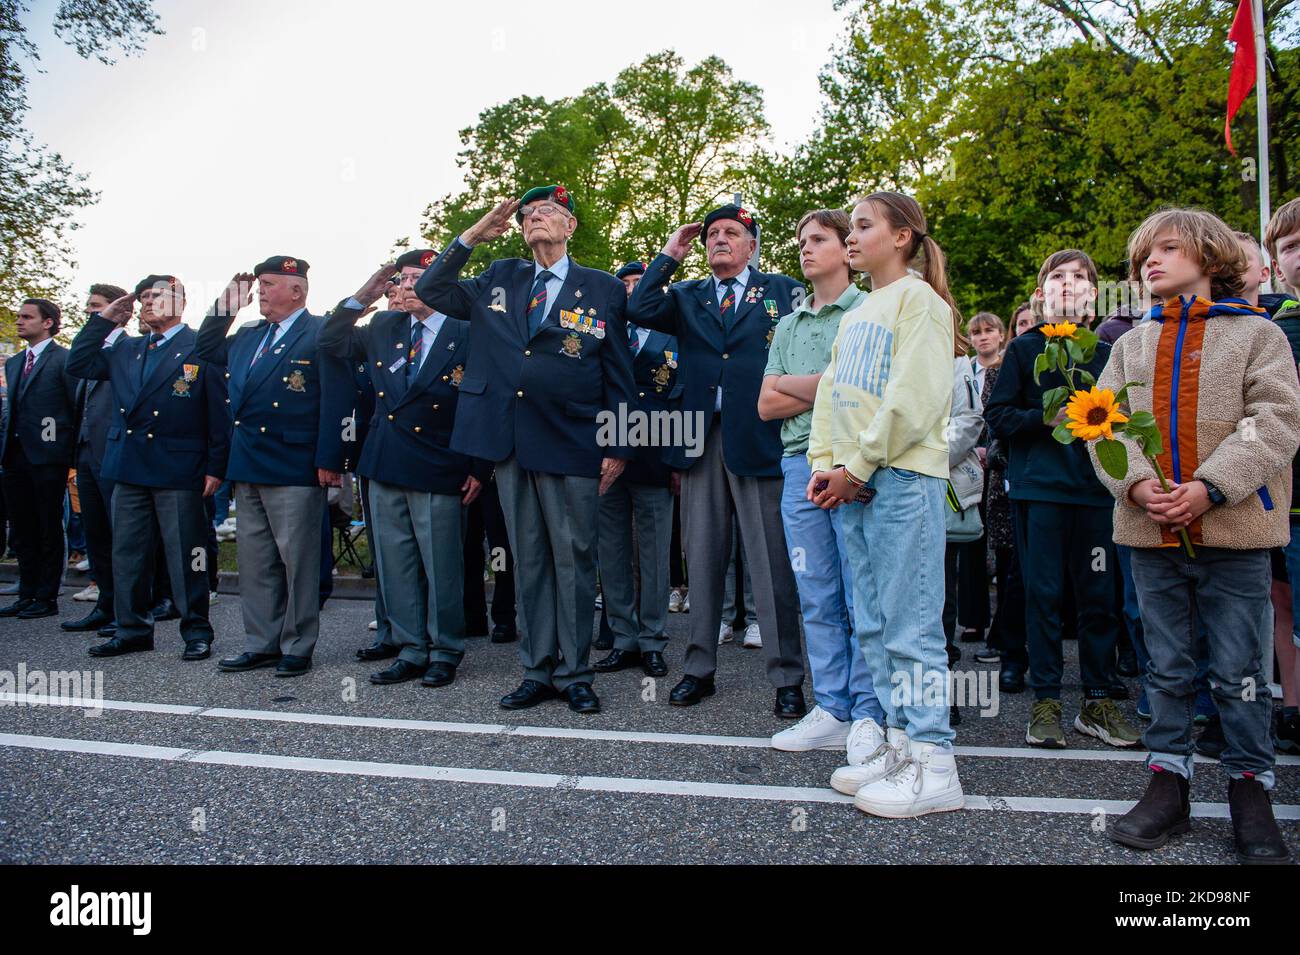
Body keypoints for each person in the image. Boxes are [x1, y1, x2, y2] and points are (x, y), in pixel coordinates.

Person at [1100, 207, 1300, 864]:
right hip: (1149, 534)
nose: (1149, 261)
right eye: (1141, 257)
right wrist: (1135, 485)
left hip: (1236, 532)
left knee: (1242, 669)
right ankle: (1168, 782)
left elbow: (1273, 423)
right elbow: (1105, 429)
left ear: (1209, 255)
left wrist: (1210, 486)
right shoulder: (1129, 344)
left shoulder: (1258, 335)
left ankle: (1250, 787)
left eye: (1165, 248)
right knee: (1166, 663)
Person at [415, 185, 636, 714]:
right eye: (530, 214)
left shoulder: (601, 288)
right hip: (509, 441)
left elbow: (618, 371)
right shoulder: (500, 278)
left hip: (573, 440)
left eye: (550, 213)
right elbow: (432, 286)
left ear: (571, 227)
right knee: (528, 560)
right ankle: (537, 669)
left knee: (575, 559)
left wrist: (619, 442)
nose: (538, 219)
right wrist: (471, 236)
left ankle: (576, 671)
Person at [808, 191, 964, 818]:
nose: (851, 233)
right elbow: (830, 397)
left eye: (864, 225)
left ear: (902, 237)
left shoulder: (919, 302)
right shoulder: (858, 311)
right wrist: (827, 465)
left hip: (898, 479)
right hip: (853, 482)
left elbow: (915, 398)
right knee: (871, 620)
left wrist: (860, 463)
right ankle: (899, 743)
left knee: (911, 622)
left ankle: (935, 760)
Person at [627, 204, 807, 716]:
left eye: (731, 233)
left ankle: (787, 676)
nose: (719, 240)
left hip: (761, 436)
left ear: (752, 244)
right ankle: (699, 669)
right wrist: (670, 254)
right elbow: (638, 309)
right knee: (703, 558)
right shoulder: (686, 294)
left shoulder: (781, 290)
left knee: (772, 563)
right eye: (711, 235)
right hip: (699, 440)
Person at [985, 250, 1139, 749]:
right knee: (1043, 594)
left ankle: (1097, 698)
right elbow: (999, 417)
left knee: (1099, 597)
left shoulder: (1108, 353)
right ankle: (1046, 697)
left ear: (1094, 297)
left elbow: (1127, 421)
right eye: (1058, 278)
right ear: (1040, 295)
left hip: (1097, 494)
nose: (1069, 285)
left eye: (1080, 279)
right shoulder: (1025, 350)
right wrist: (1045, 421)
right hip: (1041, 492)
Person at [322, 250, 483, 689]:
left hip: (442, 462)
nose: (405, 286)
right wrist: (366, 293)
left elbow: (483, 399)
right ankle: (411, 649)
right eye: (401, 280)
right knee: (396, 566)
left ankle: (445, 649)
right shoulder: (384, 326)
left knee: (441, 566)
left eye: (417, 278)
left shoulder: (466, 330)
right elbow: (330, 341)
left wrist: (477, 466)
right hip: (386, 461)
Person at [758, 209, 884, 753]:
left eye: (819, 239)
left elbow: (866, 389)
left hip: (855, 464)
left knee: (863, 594)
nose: (806, 249)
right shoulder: (787, 324)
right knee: (816, 593)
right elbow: (766, 404)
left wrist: (799, 384)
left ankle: (869, 712)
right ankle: (832, 706)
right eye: (801, 241)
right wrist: (828, 382)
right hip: (796, 464)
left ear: (845, 248)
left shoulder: (871, 310)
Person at [197, 256, 353, 678]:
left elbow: (337, 397)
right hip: (248, 462)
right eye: (259, 284)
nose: (260, 291)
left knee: (298, 561)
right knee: (256, 560)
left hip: (296, 463)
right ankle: (261, 642)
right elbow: (206, 349)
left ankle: (297, 644)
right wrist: (227, 305)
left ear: (296, 290)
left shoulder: (320, 330)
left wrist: (331, 458)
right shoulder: (249, 336)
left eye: (267, 284)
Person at [68, 276, 229, 660]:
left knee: (186, 554)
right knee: (128, 553)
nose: (148, 303)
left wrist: (216, 466)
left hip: (179, 465)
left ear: (182, 302)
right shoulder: (128, 349)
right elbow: (79, 362)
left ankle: (196, 630)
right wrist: (106, 319)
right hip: (128, 465)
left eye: (157, 295)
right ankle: (132, 628)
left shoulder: (200, 345)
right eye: (142, 298)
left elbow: (220, 413)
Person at [592, 261, 678, 679]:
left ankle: (653, 639)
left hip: (655, 456)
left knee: (655, 554)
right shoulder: (602, 332)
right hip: (605, 454)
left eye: (638, 285)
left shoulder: (674, 333)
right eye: (624, 285)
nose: (630, 292)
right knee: (612, 553)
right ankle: (622, 637)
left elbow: (683, 398)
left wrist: (682, 458)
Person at [0, 299, 78, 620]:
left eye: (26, 317)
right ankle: (26, 591)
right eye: (18, 317)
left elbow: (74, 407)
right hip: (15, 456)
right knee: (22, 528)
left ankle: (47, 596)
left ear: (47, 323)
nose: (19, 322)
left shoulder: (64, 359)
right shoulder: (15, 362)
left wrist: (69, 455)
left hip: (48, 457)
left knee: (48, 525)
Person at [61, 283, 130, 637]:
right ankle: (105, 603)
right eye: (89, 307)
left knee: (123, 536)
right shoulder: (93, 348)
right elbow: (77, 367)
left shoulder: (128, 349)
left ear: (120, 311)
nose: (91, 312)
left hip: (116, 455)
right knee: (97, 534)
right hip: (87, 454)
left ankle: (128, 607)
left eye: (99, 307)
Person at [1264, 197, 1300, 754]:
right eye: (1290, 247)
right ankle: (1292, 707)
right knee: (1284, 604)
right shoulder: (1278, 331)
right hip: (1286, 498)